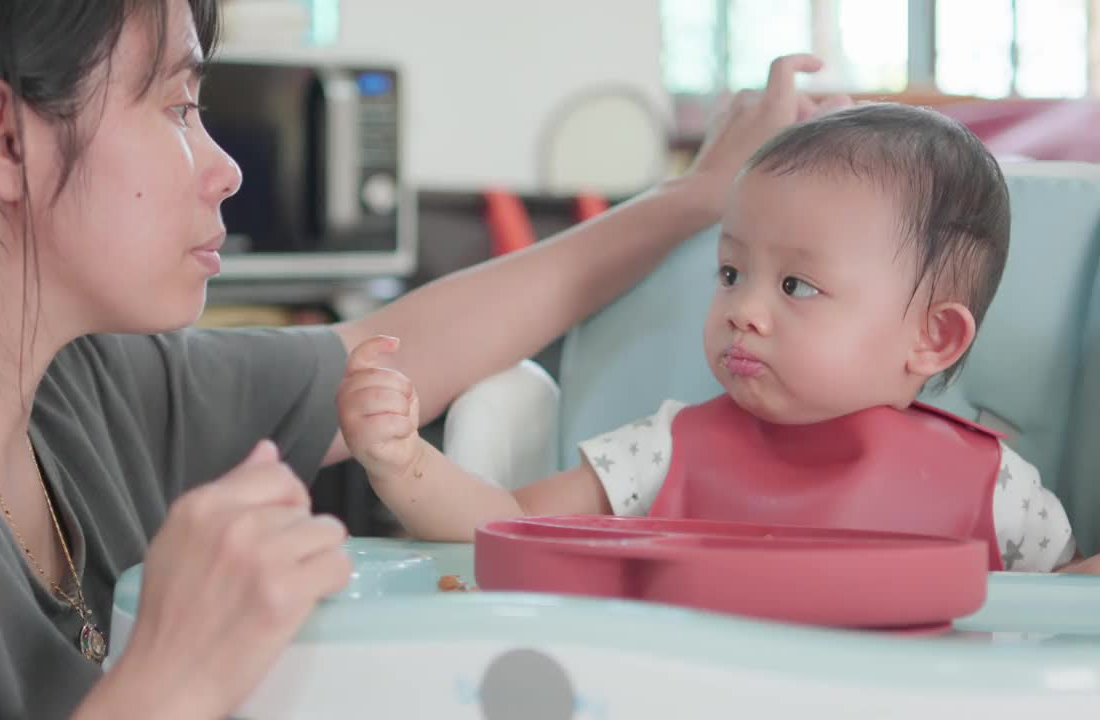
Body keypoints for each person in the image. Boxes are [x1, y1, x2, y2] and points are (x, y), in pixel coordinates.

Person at [0, 0, 846, 717]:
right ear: (1, 137)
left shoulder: (76, 386)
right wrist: (168, 681)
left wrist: (692, 200)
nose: (222, 167)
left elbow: (391, 351)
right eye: (177, 108)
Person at [339, 103, 1099, 575]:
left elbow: (1061, 622)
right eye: (731, 273)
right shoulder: (665, 450)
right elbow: (500, 524)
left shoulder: (996, 489)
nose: (743, 310)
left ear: (933, 339)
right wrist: (403, 460)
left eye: (796, 286)